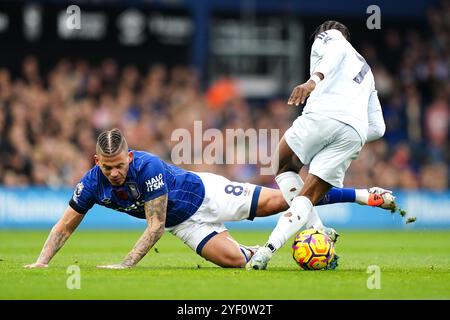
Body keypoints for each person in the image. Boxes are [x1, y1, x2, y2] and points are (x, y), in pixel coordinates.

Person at [24, 128, 394, 270]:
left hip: (207, 195)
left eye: (119, 166)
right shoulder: (91, 184)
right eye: (107, 168)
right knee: (235, 264)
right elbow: (65, 225)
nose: (114, 174)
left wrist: (126, 264)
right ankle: (249, 249)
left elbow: (153, 227)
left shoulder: (147, 167)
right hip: (183, 224)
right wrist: (42, 263)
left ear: (130, 157)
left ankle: (364, 195)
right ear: (96, 162)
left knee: (283, 200)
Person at [247, 21, 390, 270]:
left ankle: (287, 241)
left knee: (281, 165)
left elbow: (334, 51)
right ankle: (305, 236)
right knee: (307, 197)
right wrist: (350, 132)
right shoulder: (367, 71)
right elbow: (378, 129)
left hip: (322, 116)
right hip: (354, 132)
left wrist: (313, 81)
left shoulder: (329, 35)